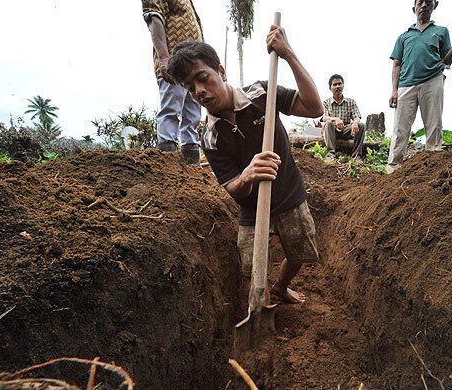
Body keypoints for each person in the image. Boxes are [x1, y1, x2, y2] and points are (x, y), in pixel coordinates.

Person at [166, 25, 324, 304]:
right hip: (252, 209)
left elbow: (314, 108)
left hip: (289, 195)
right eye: (191, 89)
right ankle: (258, 300)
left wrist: (288, 54)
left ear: (221, 71)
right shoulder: (210, 136)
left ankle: (281, 287)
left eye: (203, 79)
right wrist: (248, 175)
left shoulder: (262, 94)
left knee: (299, 252)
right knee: (251, 267)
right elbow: (232, 187)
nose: (200, 92)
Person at [387, 0, 452, 173]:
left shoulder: (440, 31)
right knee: (400, 129)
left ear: (434, 6)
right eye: (420, 3)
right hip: (406, 85)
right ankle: (393, 168)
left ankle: (432, 166)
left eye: (428, 2)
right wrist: (394, 90)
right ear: (414, 8)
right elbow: (396, 64)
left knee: (433, 125)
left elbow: (447, 60)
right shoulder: (404, 36)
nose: (424, 5)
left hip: (432, 80)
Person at [142, 0, 203, 164]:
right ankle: (167, 161)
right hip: (173, 62)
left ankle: (191, 162)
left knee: (192, 113)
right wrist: (164, 57)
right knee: (172, 107)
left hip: (194, 65)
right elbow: (154, 17)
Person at [321, 75, 366, 160]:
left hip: (346, 131)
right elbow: (324, 117)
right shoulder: (326, 103)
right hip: (332, 131)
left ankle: (356, 156)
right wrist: (336, 119)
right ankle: (331, 154)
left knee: (362, 125)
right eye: (334, 84)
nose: (337, 86)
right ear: (330, 88)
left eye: (339, 84)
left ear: (343, 85)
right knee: (328, 123)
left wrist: (355, 122)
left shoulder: (351, 102)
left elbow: (357, 116)